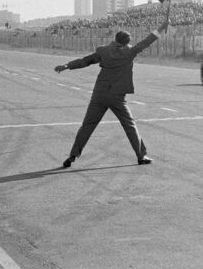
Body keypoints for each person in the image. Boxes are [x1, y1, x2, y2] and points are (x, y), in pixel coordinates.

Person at [55, 21, 169, 168]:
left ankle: (73, 155)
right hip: (117, 97)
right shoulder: (130, 52)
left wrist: (66, 66)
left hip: (99, 94)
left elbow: (86, 61)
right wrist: (161, 28)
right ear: (128, 42)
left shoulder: (103, 51)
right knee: (130, 125)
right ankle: (141, 156)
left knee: (87, 125)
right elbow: (147, 41)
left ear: (115, 39)